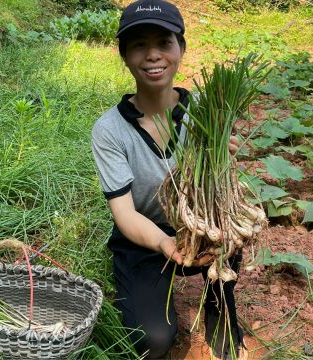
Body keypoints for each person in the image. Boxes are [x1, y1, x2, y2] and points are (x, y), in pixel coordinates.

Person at [90, 1, 245, 358]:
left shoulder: (208, 108)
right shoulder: (110, 130)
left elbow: (219, 191)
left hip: (204, 224)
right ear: (124, 55)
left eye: (164, 42)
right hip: (144, 236)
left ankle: (217, 305)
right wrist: (164, 244)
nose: (152, 55)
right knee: (155, 339)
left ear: (181, 49)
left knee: (229, 238)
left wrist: (223, 161)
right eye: (139, 44)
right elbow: (125, 214)